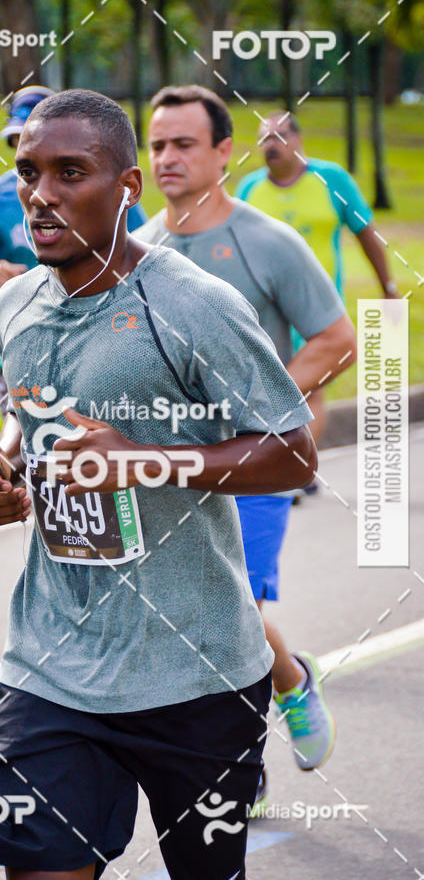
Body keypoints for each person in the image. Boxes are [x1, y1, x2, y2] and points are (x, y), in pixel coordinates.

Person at [0, 89, 318, 880]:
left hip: (196, 673)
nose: (41, 193)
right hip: (51, 666)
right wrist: (5, 471)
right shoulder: (16, 302)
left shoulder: (193, 305)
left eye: (69, 172)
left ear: (127, 187)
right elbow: (28, 405)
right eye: (28, 172)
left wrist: (147, 458)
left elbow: (293, 453)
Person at [133, 85, 357, 811]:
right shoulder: (139, 246)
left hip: (256, 463)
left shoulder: (268, 242)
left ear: (225, 152)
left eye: (184, 144)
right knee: (189, 620)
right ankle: (279, 692)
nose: (167, 157)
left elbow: (336, 339)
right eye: (158, 144)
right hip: (167, 472)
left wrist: (263, 403)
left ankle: (265, 727)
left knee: (234, 602)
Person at [0, 86, 148, 413]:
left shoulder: (102, 190)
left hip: (101, 344)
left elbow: (142, 248)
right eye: (19, 138)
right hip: (21, 350)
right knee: (28, 444)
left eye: (68, 170)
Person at [236, 111, 398, 448]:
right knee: (269, 386)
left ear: (298, 140)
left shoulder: (332, 180)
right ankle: (281, 465)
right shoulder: (249, 188)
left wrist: (388, 287)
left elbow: (366, 234)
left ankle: (301, 471)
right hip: (262, 309)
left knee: (312, 385)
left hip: (315, 306)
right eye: (264, 138)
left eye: (280, 136)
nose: (272, 144)